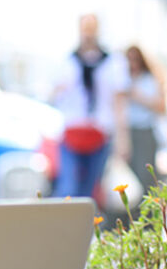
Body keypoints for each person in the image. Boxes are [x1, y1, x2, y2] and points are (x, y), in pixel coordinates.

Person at [50, 14, 130, 200]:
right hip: (72, 132)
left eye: (92, 29)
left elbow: (118, 102)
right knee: (68, 187)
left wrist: (122, 138)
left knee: (91, 189)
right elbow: (54, 95)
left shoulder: (112, 62)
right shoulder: (68, 62)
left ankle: (86, 228)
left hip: (100, 132)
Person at [124, 44, 167, 188]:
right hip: (126, 130)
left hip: (144, 131)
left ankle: (149, 209)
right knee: (129, 176)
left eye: (135, 59)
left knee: (145, 176)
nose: (132, 64)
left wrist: (138, 96)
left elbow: (161, 106)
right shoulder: (121, 78)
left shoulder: (150, 79)